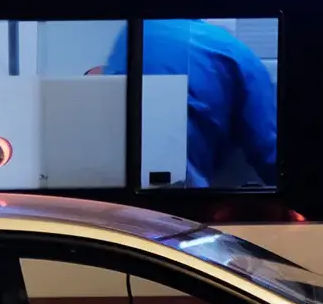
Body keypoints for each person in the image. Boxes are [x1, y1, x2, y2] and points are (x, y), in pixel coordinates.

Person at [87, 19, 277, 188]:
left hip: (114, 187)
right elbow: (270, 152)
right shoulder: (234, 51)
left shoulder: (130, 33)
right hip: (181, 191)